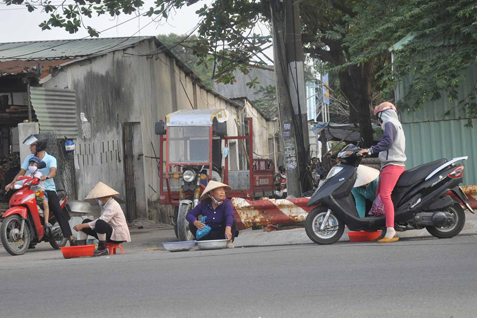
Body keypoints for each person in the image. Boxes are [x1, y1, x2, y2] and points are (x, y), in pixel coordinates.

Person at [6, 134, 77, 246]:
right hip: (31, 188)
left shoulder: (50, 159)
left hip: (48, 189)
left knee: (58, 212)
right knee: (26, 208)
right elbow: (21, 173)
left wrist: (47, 176)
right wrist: (11, 183)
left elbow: (53, 172)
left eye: (32, 145)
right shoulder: (29, 158)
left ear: (39, 147)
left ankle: (70, 237)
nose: (30, 147)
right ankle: (30, 239)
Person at [358, 102, 406, 243]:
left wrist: (371, 150)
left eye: (378, 117)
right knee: (379, 196)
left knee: (384, 196)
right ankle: (384, 228)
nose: (378, 121)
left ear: (382, 114)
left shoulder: (389, 123)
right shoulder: (395, 123)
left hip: (392, 165)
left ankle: (390, 230)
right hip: (391, 164)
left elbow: (388, 142)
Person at [73, 182, 131, 256]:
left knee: (99, 223)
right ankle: (81, 247)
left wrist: (83, 226)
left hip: (116, 235)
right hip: (109, 231)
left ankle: (102, 249)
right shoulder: (105, 204)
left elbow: (103, 220)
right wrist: (85, 224)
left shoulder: (113, 205)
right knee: (86, 221)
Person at [186, 180, 238, 246]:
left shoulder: (226, 203)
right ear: (212, 192)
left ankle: (229, 241)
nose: (222, 192)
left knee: (232, 222)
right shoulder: (204, 203)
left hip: (221, 233)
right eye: (219, 190)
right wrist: (196, 222)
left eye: (223, 190)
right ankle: (202, 242)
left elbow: (229, 215)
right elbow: (189, 215)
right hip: (207, 233)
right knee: (192, 224)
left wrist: (228, 228)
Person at [25, 157, 52, 229]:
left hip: (40, 192)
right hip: (31, 193)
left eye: (34, 164)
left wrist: (41, 178)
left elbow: (39, 178)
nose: (32, 165)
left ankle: (46, 222)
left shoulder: (39, 173)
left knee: (45, 203)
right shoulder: (28, 175)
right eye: (31, 164)